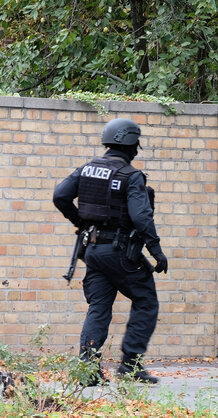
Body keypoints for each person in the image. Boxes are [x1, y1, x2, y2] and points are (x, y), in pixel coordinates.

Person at [53, 118, 167, 385]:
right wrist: (156, 249)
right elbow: (141, 217)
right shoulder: (131, 175)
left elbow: (60, 195)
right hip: (120, 252)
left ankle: (89, 370)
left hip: (92, 250)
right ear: (130, 144)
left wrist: (81, 223)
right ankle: (131, 366)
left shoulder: (87, 169)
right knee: (146, 301)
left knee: (99, 307)